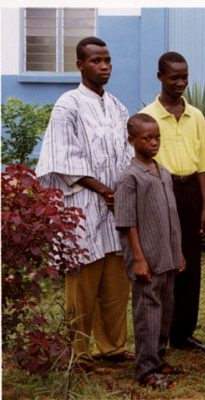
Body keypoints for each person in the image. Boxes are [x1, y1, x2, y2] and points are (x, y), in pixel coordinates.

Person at [35, 36, 134, 369]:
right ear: (79, 65)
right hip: (83, 207)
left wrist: (121, 191)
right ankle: (76, 351)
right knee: (83, 284)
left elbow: (129, 153)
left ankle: (112, 347)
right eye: (95, 61)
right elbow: (63, 158)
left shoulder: (118, 106)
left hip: (115, 207)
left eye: (107, 60)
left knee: (117, 281)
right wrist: (104, 190)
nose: (103, 66)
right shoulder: (68, 105)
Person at [142, 52, 205, 351]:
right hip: (161, 190)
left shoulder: (195, 115)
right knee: (164, 263)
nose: (180, 83)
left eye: (184, 77)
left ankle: (183, 333)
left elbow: (204, 163)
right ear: (160, 77)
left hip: (190, 193)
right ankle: (160, 332)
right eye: (174, 77)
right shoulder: (148, 116)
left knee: (191, 263)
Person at [115, 114, 186, 389]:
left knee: (165, 309)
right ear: (132, 141)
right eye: (147, 138)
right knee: (147, 311)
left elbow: (171, 216)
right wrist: (139, 259)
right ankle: (146, 370)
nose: (154, 142)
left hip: (167, 255)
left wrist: (178, 252)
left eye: (157, 137)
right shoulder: (129, 177)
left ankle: (158, 358)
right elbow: (126, 222)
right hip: (147, 257)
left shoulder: (163, 172)